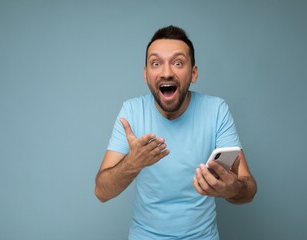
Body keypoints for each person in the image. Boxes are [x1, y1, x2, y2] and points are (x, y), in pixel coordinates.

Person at [95, 25, 257, 239]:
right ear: (145, 74)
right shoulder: (131, 111)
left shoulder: (216, 110)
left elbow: (249, 189)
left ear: (194, 73)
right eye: (155, 63)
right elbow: (102, 192)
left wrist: (232, 188)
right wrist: (133, 163)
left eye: (178, 63)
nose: (167, 72)